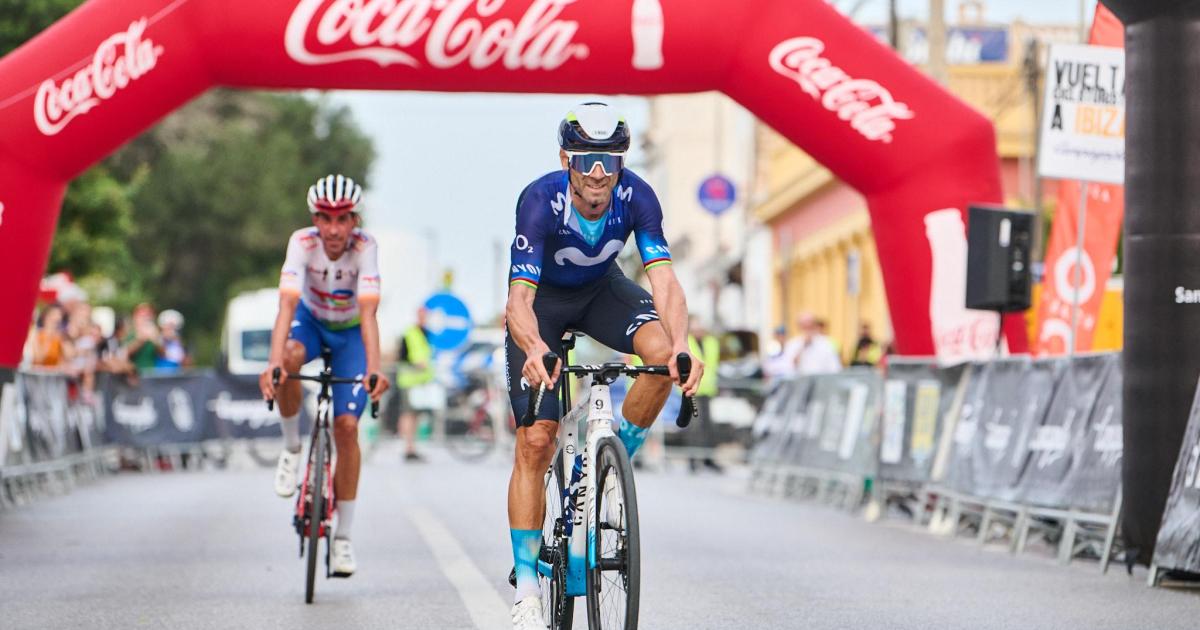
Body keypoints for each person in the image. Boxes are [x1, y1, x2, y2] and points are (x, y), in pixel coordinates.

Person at [503, 102, 703, 629]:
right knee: (536, 440)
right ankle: (527, 589)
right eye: (586, 159)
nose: (598, 173)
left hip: (601, 293)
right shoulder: (540, 200)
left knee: (661, 357)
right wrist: (533, 348)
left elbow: (664, 281)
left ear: (622, 163)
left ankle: (613, 468)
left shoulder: (638, 197)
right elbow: (519, 298)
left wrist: (682, 344)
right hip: (544, 306)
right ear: (565, 160)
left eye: (609, 160)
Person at [258, 174, 390, 578]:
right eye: (325, 218)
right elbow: (286, 305)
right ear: (314, 219)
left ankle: (343, 537)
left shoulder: (365, 247)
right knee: (288, 359)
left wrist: (374, 368)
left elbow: (368, 313)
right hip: (311, 323)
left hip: (350, 335)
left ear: (354, 220)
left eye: (342, 219)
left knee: (346, 428)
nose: (333, 229)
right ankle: (292, 447)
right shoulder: (302, 243)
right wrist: (273, 363)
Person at [395, 307, 434, 462]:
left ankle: (412, 446)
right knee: (408, 414)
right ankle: (408, 447)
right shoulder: (410, 333)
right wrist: (416, 364)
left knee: (415, 415)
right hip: (409, 381)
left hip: (421, 382)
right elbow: (402, 357)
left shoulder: (426, 333)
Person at [686, 322, 723, 473]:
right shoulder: (686, 342)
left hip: (708, 390)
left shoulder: (711, 343)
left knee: (708, 426)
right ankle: (693, 460)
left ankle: (708, 459)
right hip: (692, 390)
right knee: (694, 426)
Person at [124, 303, 162, 374]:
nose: (146, 317)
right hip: (135, 374)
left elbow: (163, 354)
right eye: (143, 315)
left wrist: (155, 340)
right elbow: (125, 353)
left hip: (153, 373)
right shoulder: (130, 333)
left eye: (149, 314)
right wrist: (141, 339)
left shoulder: (155, 332)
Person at [30, 303, 70, 369]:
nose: (59, 318)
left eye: (60, 315)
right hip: (37, 372)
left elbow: (69, 356)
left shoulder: (60, 336)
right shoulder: (36, 334)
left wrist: (64, 340)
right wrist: (49, 338)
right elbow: (39, 358)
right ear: (46, 316)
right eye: (54, 315)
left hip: (54, 373)